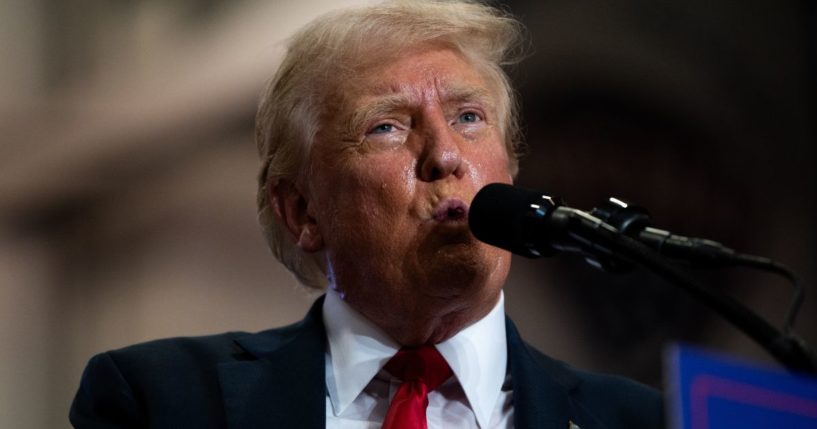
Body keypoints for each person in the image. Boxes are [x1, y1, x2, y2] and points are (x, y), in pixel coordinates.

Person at [70, 1, 664, 428]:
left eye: (469, 117)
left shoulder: (641, 419)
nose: (445, 155)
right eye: (387, 127)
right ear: (302, 211)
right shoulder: (161, 401)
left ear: (508, 168)